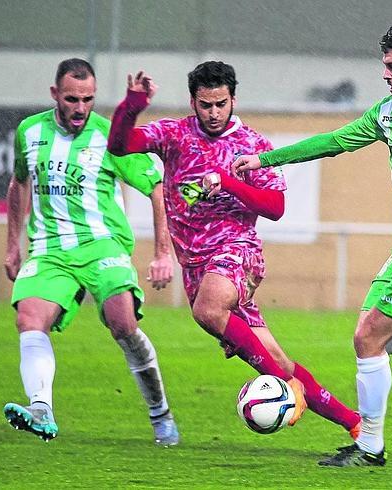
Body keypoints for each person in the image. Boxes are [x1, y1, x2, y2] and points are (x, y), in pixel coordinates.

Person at [232, 21, 392, 466]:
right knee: (382, 340)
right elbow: (333, 141)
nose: (384, 73)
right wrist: (265, 159)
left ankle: (370, 448)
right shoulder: (388, 112)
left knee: (368, 338)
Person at [107, 60, 363, 437]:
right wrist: (132, 104)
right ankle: (355, 425)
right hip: (196, 266)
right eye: (206, 104)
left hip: (237, 251)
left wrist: (227, 180)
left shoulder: (252, 144)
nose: (214, 113)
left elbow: (275, 207)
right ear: (193, 102)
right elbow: (119, 145)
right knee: (276, 361)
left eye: (221, 104)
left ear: (233, 100)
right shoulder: (175, 135)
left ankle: (289, 390)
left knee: (208, 309)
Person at [3, 58, 179, 446]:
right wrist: (13, 245)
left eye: (87, 99)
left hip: (103, 246)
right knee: (29, 319)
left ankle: (159, 412)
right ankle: (41, 408)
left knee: (123, 324)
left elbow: (156, 187)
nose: (80, 107)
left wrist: (162, 253)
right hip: (49, 250)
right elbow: (18, 184)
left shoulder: (109, 136)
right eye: (71, 98)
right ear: (55, 95)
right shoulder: (29, 132)